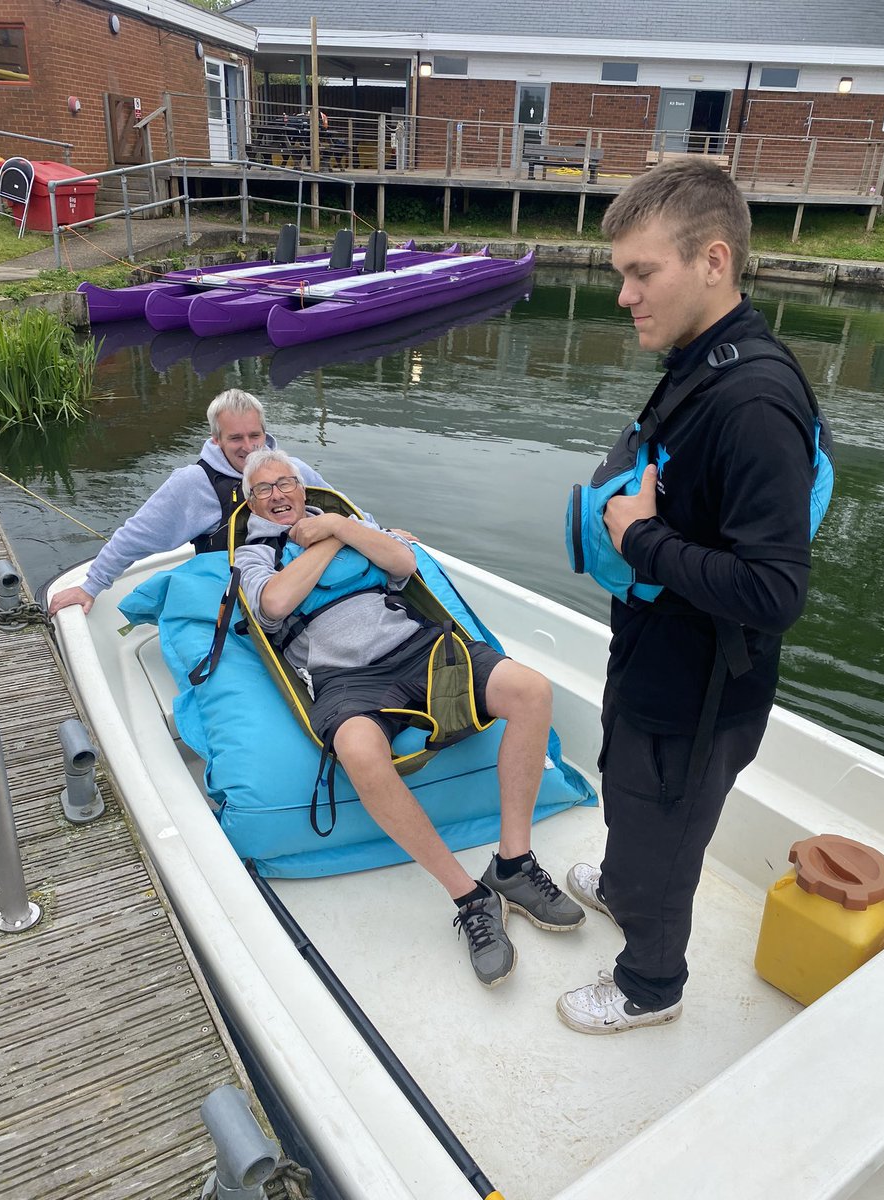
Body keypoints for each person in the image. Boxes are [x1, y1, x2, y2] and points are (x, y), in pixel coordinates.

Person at [557, 159, 825, 1034]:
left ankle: (649, 986)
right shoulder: (698, 359)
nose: (626, 295)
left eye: (643, 273)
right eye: (621, 276)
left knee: (665, 826)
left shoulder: (753, 401)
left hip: (703, 691)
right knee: (632, 795)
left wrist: (640, 538)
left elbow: (775, 591)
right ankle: (627, 879)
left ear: (714, 261)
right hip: (656, 654)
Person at [235, 447, 585, 988]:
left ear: (304, 489)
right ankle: (469, 897)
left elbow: (403, 563)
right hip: (343, 680)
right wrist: (332, 540)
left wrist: (336, 527)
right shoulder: (253, 554)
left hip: (416, 647)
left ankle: (513, 864)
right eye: (264, 488)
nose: (279, 494)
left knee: (532, 691)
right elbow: (276, 604)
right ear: (250, 500)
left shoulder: (349, 522)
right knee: (357, 750)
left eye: (287, 483)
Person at [48, 389, 330, 616]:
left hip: (304, 588)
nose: (249, 446)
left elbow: (347, 514)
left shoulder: (294, 470)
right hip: (237, 599)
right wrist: (91, 586)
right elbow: (136, 535)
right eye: (235, 438)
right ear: (216, 439)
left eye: (255, 435)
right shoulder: (194, 483)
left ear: (264, 433)